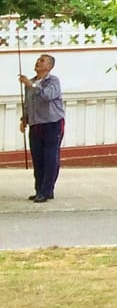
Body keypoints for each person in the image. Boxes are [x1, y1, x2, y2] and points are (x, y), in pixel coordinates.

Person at [20, 54, 64, 204]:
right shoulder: (30, 82)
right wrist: (24, 118)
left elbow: (48, 95)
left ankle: (47, 190)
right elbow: (28, 103)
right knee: (38, 158)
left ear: (49, 66)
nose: (38, 62)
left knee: (50, 157)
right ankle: (39, 189)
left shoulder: (53, 81)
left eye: (42, 60)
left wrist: (31, 86)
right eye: (38, 59)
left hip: (52, 123)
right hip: (35, 124)